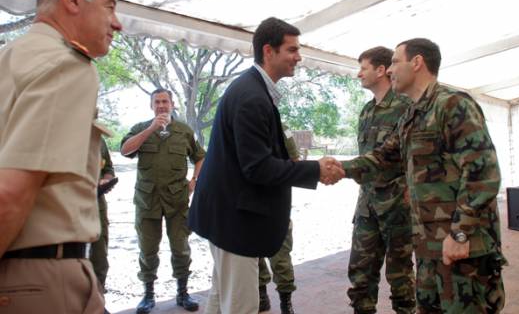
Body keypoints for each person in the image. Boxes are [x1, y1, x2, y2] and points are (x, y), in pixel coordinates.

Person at [188, 17, 344, 314]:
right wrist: (315, 170)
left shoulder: (253, 90)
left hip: (225, 217)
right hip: (234, 222)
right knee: (240, 306)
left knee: (221, 299)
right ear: (268, 51)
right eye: (292, 49)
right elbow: (257, 168)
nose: (298, 57)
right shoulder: (251, 97)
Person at [343, 38, 506, 313]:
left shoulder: (452, 104)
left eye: (395, 62)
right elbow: (383, 156)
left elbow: (483, 174)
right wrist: (331, 169)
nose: (391, 70)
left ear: (417, 62)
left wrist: (460, 233)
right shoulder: (412, 115)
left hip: (461, 248)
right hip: (429, 248)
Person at [0, 0, 122, 313]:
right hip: (44, 279)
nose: (117, 23)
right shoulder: (67, 65)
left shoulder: (11, 59)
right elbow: (10, 195)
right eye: (110, 7)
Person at [121, 88, 205, 314]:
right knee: (147, 249)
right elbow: (125, 150)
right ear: (151, 106)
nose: (161, 105)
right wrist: (151, 129)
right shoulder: (141, 128)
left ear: (172, 104)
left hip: (177, 200)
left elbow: (200, 157)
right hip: (147, 201)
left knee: (181, 248)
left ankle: (183, 292)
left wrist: (194, 181)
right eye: (157, 102)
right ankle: (148, 295)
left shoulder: (184, 131)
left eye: (165, 101)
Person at [347, 47, 415, 314]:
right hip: (367, 205)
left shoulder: (405, 107)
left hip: (397, 204)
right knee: (360, 273)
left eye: (363, 68)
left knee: (400, 277)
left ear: (381, 70)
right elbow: (367, 158)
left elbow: (412, 156)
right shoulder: (366, 111)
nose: (358, 74)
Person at [258, 128, 300, 314]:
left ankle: (286, 302)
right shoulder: (243, 127)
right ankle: (262, 296)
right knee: (254, 253)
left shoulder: (282, 131)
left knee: (281, 256)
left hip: (277, 204)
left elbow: (295, 162)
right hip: (249, 204)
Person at [90, 137, 116, 291]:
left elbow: (108, 169)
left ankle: (98, 298)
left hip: (96, 204)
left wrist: (107, 180)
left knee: (99, 256)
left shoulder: (98, 139)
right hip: (64, 208)